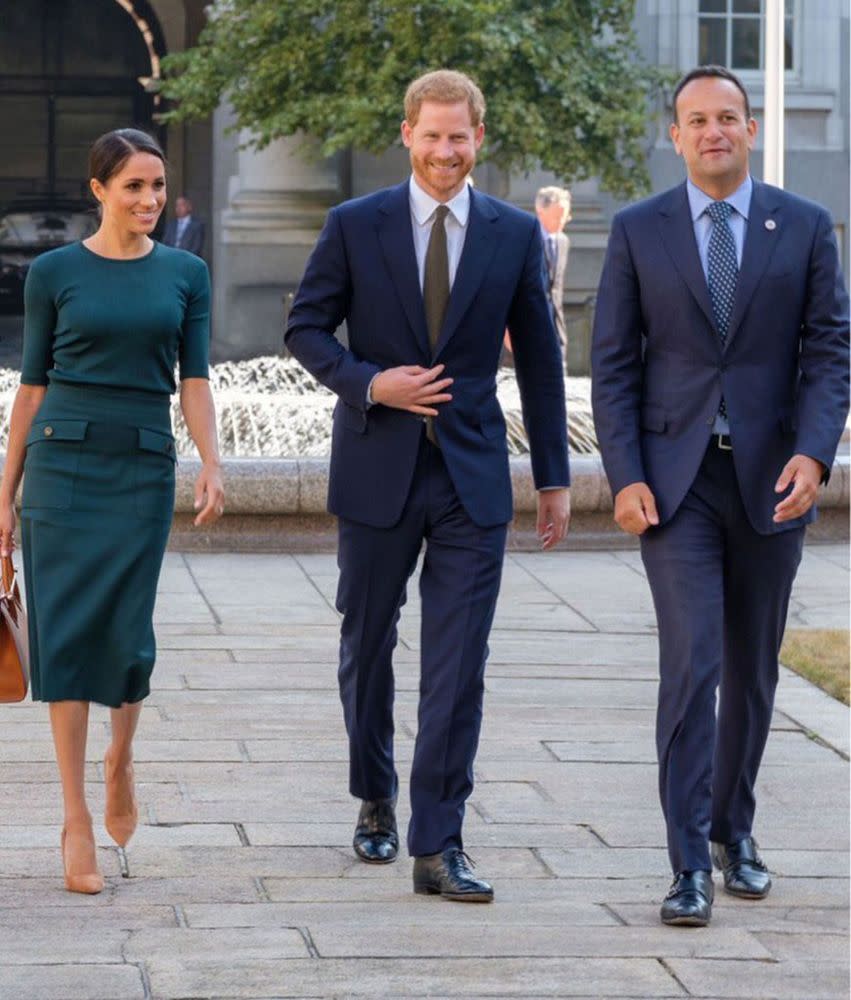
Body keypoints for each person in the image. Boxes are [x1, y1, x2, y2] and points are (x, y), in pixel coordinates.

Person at [285, 69, 570, 902]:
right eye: (431, 134)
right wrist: (372, 383)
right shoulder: (354, 224)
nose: (445, 151)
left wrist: (552, 477)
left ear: (479, 138)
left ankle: (437, 840)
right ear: (406, 133)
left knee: (459, 662)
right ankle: (375, 793)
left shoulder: (515, 234)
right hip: (377, 466)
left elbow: (545, 363)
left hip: (473, 476)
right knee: (368, 643)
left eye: (460, 136)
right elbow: (304, 327)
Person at [591, 66, 849, 927]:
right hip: (675, 485)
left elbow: (829, 352)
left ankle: (734, 831)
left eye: (727, 118)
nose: (713, 131)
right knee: (693, 661)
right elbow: (615, 364)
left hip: (772, 481)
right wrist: (623, 473)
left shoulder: (805, 226)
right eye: (696, 120)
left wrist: (815, 456)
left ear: (749, 127)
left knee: (751, 669)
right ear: (675, 135)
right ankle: (685, 862)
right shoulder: (637, 231)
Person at [0, 128, 225, 895]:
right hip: (62, 466)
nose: (149, 200)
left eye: (157, 186)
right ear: (98, 190)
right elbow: (31, 386)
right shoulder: (55, 271)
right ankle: (73, 820)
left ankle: (120, 760)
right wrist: (4, 493)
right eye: (133, 186)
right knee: (63, 637)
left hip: (139, 463)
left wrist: (212, 462)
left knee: (127, 635)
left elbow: (193, 378)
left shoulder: (186, 273)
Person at [535, 186, 572, 367]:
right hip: (529, 328)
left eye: (565, 216)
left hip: (556, 328)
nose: (562, 221)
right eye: (558, 216)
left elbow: (557, 289)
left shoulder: (563, 241)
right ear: (541, 212)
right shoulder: (525, 237)